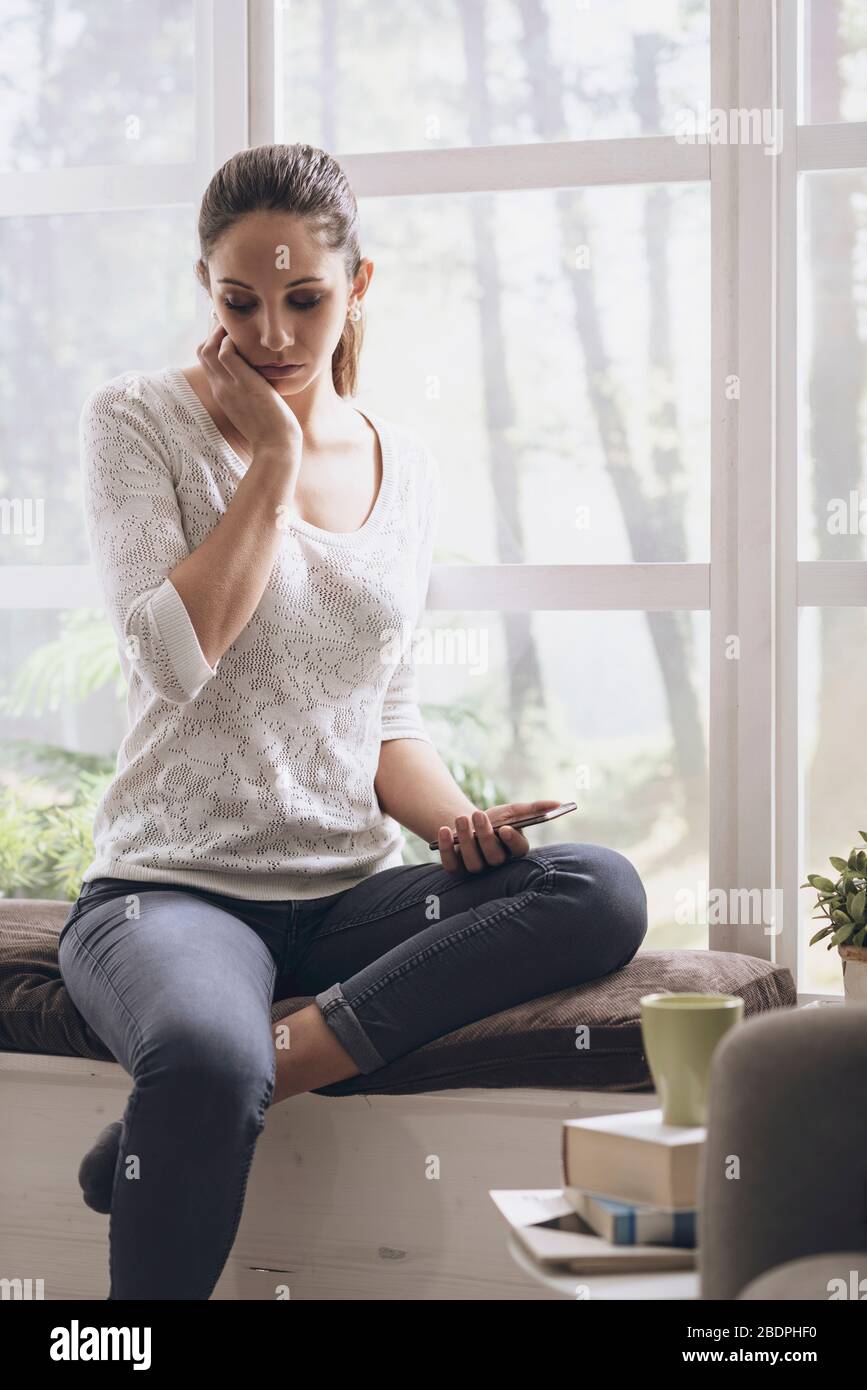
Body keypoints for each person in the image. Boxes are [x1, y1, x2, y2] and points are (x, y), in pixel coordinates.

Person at [58, 143, 648, 1300]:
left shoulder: (404, 465)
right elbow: (171, 661)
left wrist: (457, 824)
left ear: (359, 286)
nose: (272, 333)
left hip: (346, 900)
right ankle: (208, 1092)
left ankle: (227, 1091)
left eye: (305, 300)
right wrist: (270, 462)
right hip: (172, 892)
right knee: (200, 1056)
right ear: (206, 292)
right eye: (240, 302)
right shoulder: (137, 421)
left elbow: (385, 712)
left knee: (600, 888)